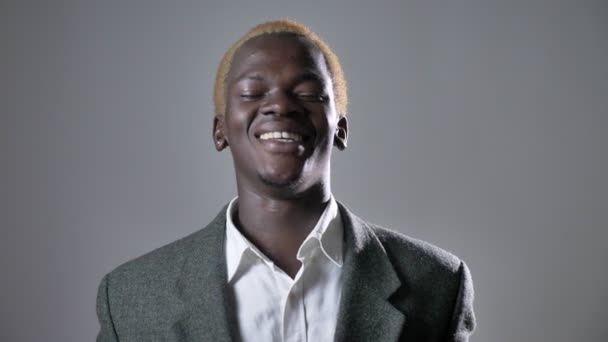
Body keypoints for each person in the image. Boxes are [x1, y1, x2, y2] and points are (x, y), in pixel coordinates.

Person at [96, 19, 476, 342]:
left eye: (308, 93)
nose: (280, 105)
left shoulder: (437, 283)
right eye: (251, 92)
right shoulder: (129, 299)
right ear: (220, 130)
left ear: (340, 128)